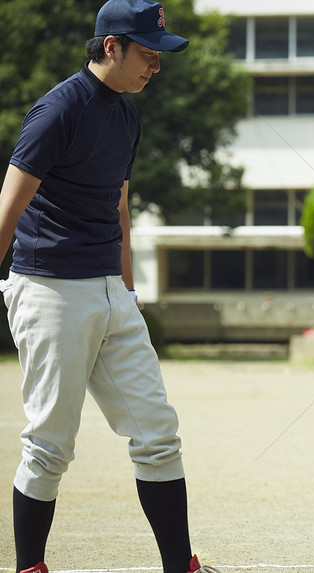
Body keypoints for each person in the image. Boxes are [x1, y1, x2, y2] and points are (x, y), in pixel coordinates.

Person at [0, 1, 218, 572]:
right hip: (49, 289)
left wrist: (125, 289)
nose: (157, 67)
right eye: (148, 54)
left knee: (157, 434)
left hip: (109, 292)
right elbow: (8, 206)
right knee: (50, 444)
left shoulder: (126, 114)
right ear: (112, 45)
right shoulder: (57, 110)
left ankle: (180, 566)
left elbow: (119, 205)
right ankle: (30, 568)